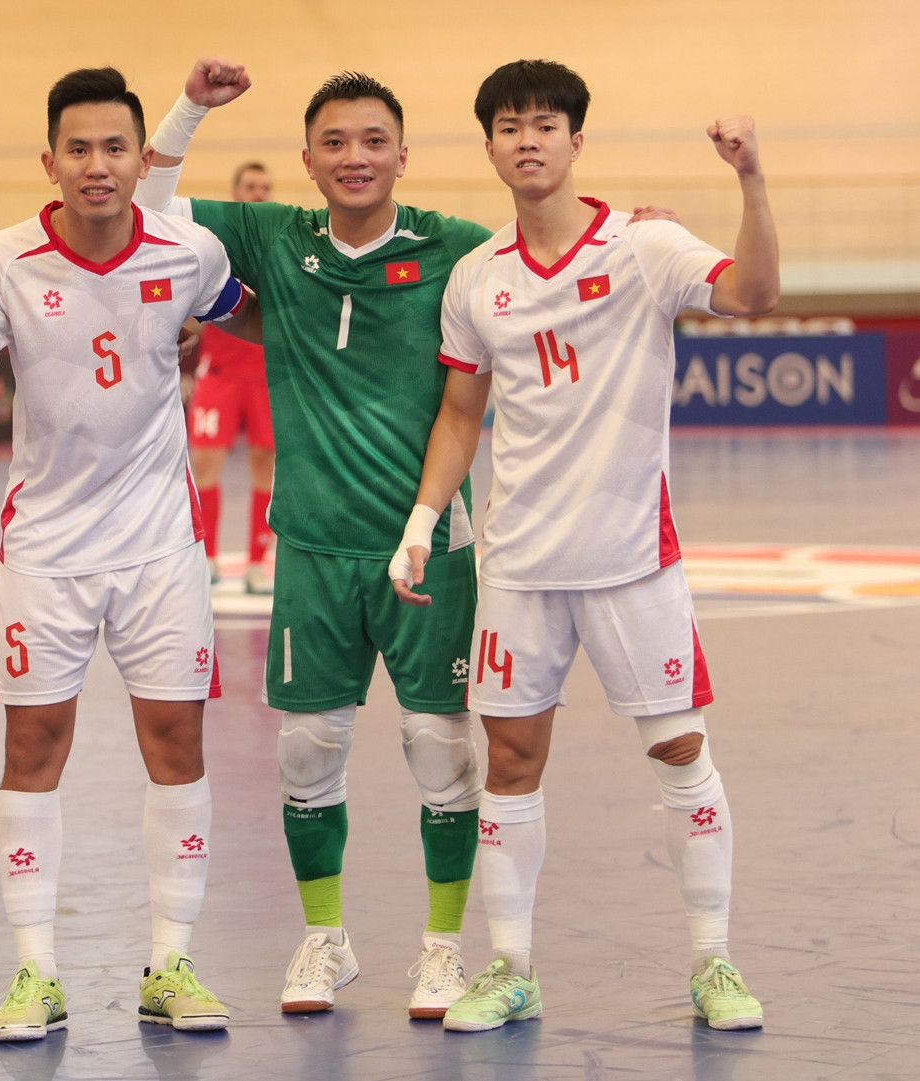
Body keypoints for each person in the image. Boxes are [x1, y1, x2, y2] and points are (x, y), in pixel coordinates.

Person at [391, 59, 777, 1032]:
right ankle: (511, 969)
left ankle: (712, 962)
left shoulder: (644, 245)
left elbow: (754, 297)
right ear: (488, 148)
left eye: (546, 123)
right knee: (510, 764)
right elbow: (460, 412)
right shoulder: (478, 277)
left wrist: (751, 179)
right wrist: (423, 520)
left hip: (631, 563)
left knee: (681, 751)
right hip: (518, 567)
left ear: (574, 140)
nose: (528, 138)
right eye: (509, 125)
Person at [0, 66, 251, 1040]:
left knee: (175, 744)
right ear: (48, 160)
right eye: (78, 148)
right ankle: (34, 972)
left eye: (115, 148)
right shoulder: (5, 259)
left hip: (158, 546)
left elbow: (245, 312)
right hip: (45, 548)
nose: (97, 166)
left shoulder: (188, 249)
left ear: (142, 159)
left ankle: (171, 962)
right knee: (32, 749)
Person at [137, 60, 491, 1018]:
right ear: (307, 158)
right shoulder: (271, 234)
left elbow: (544, 265)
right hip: (310, 548)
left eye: (373, 140)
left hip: (430, 551)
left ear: (402, 155)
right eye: (334, 141)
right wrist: (191, 110)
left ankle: (443, 949)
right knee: (304, 754)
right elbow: (146, 204)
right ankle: (323, 942)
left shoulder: (456, 246)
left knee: (439, 749)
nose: (354, 156)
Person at [188, 161, 276, 594]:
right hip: (220, 373)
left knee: (267, 465)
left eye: (264, 187)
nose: (257, 193)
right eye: (250, 186)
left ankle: (260, 562)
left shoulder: (281, 245)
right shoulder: (212, 244)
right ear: (235, 191)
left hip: (267, 374)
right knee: (205, 463)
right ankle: (205, 559)